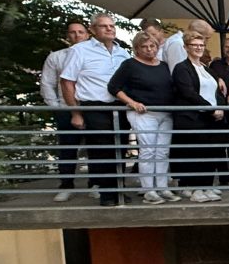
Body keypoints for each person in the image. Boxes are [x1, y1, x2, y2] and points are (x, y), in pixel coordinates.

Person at [59, 13, 130, 206]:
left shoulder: (122, 52)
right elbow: (67, 82)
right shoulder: (80, 50)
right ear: (92, 30)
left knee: (121, 147)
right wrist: (75, 112)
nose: (109, 29)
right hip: (94, 106)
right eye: (103, 26)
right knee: (102, 150)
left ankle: (119, 190)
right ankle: (107, 194)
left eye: (112, 26)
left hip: (119, 106)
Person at [108, 31, 177, 204]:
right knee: (148, 150)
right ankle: (148, 190)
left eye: (152, 46)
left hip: (165, 113)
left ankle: (162, 187)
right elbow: (113, 87)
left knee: (162, 151)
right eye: (144, 47)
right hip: (143, 113)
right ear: (137, 49)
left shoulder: (163, 65)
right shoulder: (130, 65)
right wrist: (131, 102)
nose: (149, 50)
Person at [170, 29, 227, 202]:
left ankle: (207, 186)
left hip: (210, 119)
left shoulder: (207, 69)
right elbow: (189, 93)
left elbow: (219, 91)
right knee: (195, 154)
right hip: (192, 118)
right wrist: (211, 109)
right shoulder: (181, 68)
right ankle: (195, 189)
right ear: (186, 47)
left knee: (210, 153)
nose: (198, 48)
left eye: (201, 45)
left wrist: (221, 108)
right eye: (194, 45)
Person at [42, 20, 91, 202]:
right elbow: (47, 83)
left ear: (87, 35)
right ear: (67, 36)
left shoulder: (95, 56)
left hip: (92, 107)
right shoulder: (56, 57)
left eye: (81, 32)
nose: (77, 35)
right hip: (65, 108)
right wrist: (56, 107)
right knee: (68, 148)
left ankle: (95, 184)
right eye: (72, 32)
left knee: (96, 147)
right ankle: (66, 185)